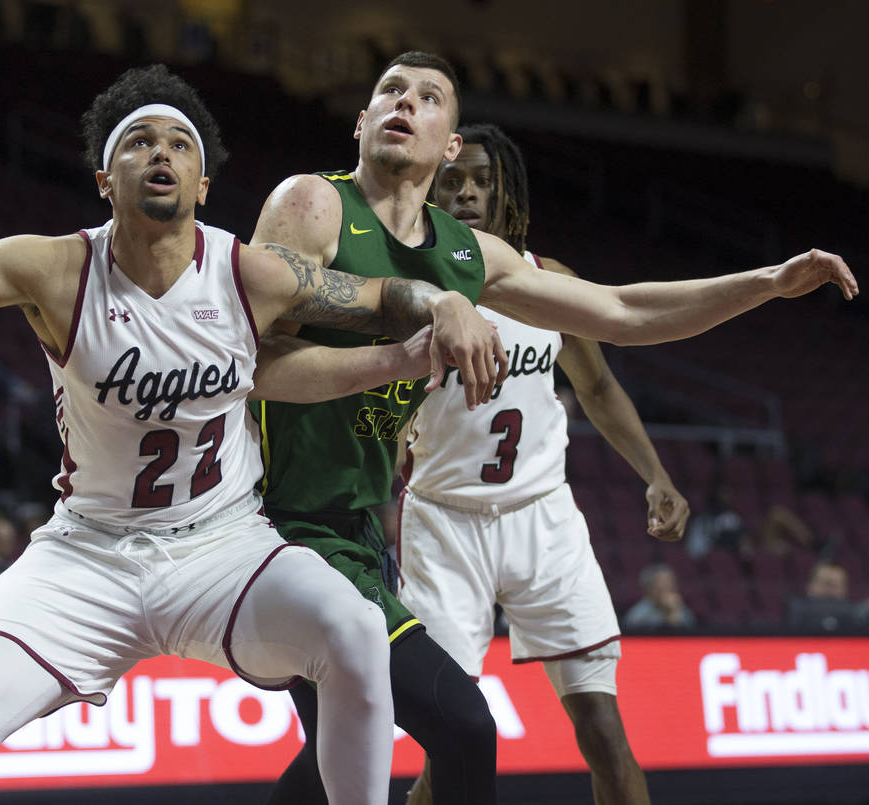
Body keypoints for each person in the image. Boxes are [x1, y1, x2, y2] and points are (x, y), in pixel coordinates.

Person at [0, 64, 504, 805]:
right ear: (103, 179)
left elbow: (379, 295)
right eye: (141, 141)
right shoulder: (55, 268)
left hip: (221, 545)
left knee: (353, 628)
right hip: (87, 555)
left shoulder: (248, 273)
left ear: (203, 184)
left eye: (181, 144)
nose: (162, 154)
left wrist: (443, 305)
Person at [250, 50, 855, 805]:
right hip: (284, 522)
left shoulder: (470, 256)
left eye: (429, 96)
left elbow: (624, 313)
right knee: (426, 735)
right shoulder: (311, 203)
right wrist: (413, 327)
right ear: (361, 121)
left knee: (364, 750)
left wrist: (765, 282)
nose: (406, 101)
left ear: (450, 143)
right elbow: (255, 354)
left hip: (386, 531)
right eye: (390, 91)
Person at [395, 121, 689, 805]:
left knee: (605, 730)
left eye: (484, 180)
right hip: (444, 523)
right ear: (432, 190)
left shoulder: (549, 282)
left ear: (508, 193)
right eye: (454, 180)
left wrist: (656, 474)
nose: (468, 191)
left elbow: (598, 386)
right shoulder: (411, 290)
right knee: (453, 739)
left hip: (543, 517)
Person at [786, 560, 865, 631]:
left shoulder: (856, 613)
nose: (830, 589)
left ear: (845, 588)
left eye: (835, 585)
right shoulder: (797, 609)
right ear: (810, 586)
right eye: (826, 583)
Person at [622, 564, 696, 630]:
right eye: (660, 584)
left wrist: (672, 613)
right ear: (648, 589)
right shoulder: (637, 615)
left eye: (669, 583)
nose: (666, 588)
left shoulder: (683, 611)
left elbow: (687, 639)